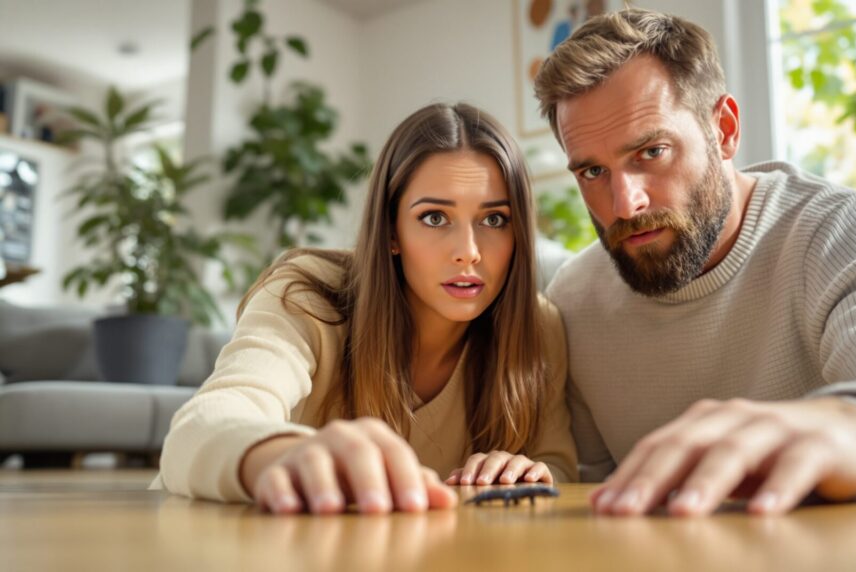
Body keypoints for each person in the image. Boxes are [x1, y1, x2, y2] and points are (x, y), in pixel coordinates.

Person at [533, 9, 856, 517]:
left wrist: (852, 425)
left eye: (652, 151)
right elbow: (588, 495)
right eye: (593, 170)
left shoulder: (838, 230)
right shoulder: (574, 297)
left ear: (723, 130)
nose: (623, 204)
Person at [155, 103, 578, 514]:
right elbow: (200, 427)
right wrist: (279, 456)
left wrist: (531, 473)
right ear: (391, 231)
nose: (468, 253)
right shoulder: (306, 293)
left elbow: (559, 467)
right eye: (434, 218)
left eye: (495, 220)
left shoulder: (539, 326)